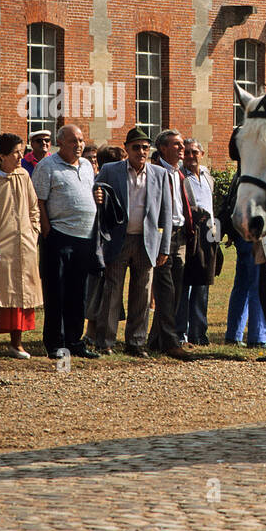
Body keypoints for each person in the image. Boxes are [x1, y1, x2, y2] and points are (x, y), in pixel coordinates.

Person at [93, 128, 172, 357]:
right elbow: (96, 190)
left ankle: (136, 342)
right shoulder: (111, 170)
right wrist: (96, 194)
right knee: (112, 291)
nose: (141, 151)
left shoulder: (159, 174)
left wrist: (164, 246)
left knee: (143, 293)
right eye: (136, 147)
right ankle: (105, 341)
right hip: (118, 240)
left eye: (145, 147)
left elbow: (166, 213)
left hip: (147, 242)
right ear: (126, 148)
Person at [32, 123, 99, 360]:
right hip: (58, 236)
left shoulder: (87, 166)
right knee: (56, 292)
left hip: (85, 238)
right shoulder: (47, 166)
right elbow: (38, 201)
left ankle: (74, 340)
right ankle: (55, 343)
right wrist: (48, 231)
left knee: (78, 293)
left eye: (81, 140)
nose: (79, 145)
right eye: (73, 141)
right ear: (61, 143)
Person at [0, 133, 42, 359]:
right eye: (15, 152)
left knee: (22, 295)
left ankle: (17, 343)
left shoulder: (24, 175)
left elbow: (34, 208)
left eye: (21, 151)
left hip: (24, 247)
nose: (20, 156)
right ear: (2, 155)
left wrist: (34, 232)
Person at [149, 129, 194, 358]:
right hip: (162, 235)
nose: (181, 148)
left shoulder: (179, 174)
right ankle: (169, 341)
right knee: (165, 291)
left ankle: (156, 339)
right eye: (176, 144)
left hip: (180, 236)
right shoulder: (155, 172)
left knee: (176, 291)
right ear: (163, 148)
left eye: (181, 144)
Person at [177, 138, 218, 347]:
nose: (191, 156)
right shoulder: (180, 177)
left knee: (203, 285)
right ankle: (181, 334)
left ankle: (199, 333)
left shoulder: (208, 177)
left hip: (209, 234)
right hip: (189, 234)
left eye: (194, 152)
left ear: (202, 153)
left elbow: (212, 206)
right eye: (187, 152)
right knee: (184, 285)